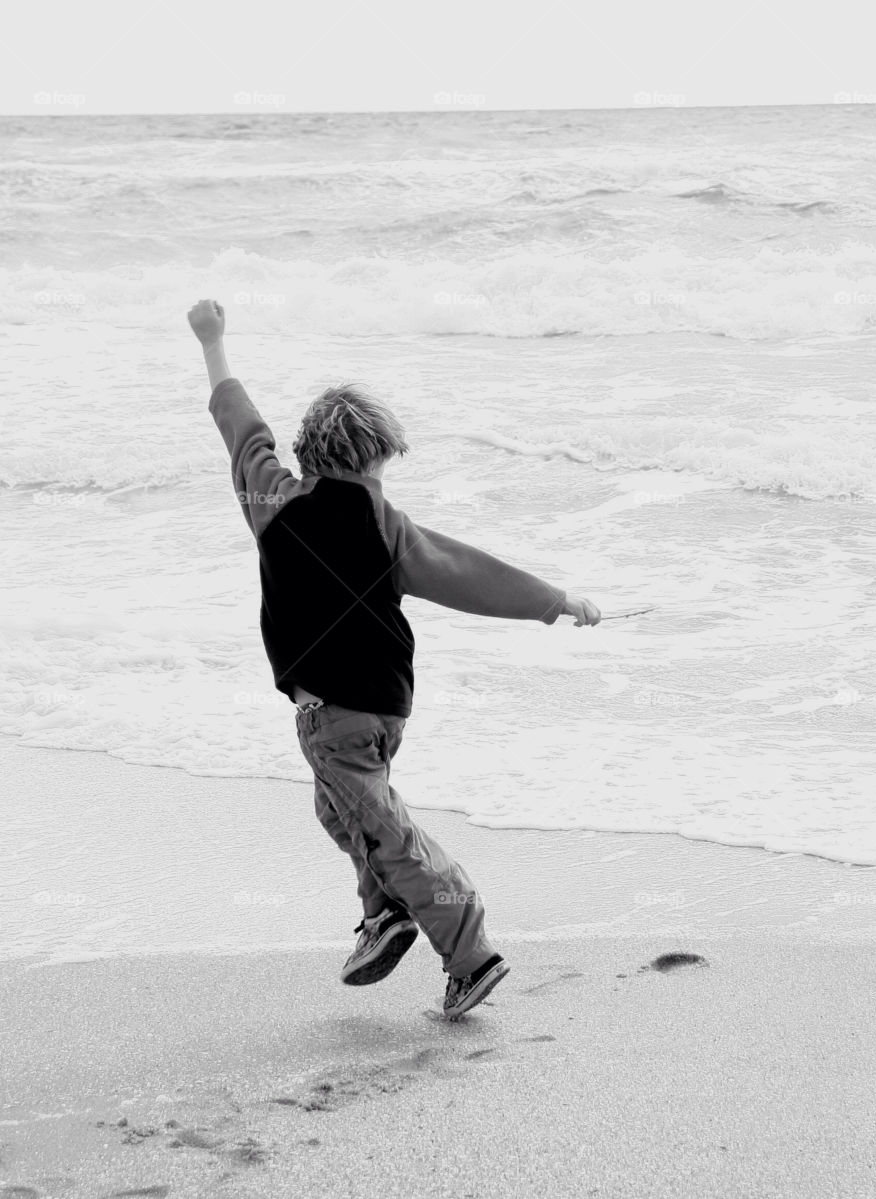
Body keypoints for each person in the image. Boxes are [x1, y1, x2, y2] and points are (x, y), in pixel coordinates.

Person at [188, 299, 601, 1019]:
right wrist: (552, 599)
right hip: (383, 706)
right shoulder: (388, 525)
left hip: (332, 714)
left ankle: (469, 952)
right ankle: (385, 913)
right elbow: (469, 572)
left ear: (307, 455)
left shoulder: (272, 502)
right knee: (340, 809)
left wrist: (213, 341)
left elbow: (241, 429)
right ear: (374, 459)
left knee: (386, 829)